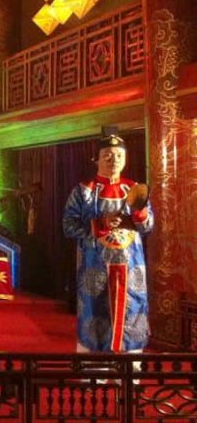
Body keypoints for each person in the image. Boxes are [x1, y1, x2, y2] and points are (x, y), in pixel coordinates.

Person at [63, 126, 153, 353]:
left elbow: (149, 226)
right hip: (95, 267)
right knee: (95, 315)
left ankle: (130, 377)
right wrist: (101, 224)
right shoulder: (83, 191)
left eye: (119, 156)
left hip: (131, 267)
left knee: (132, 314)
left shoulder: (133, 188)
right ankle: (95, 378)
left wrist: (139, 213)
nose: (114, 160)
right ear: (97, 159)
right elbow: (68, 226)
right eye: (108, 156)